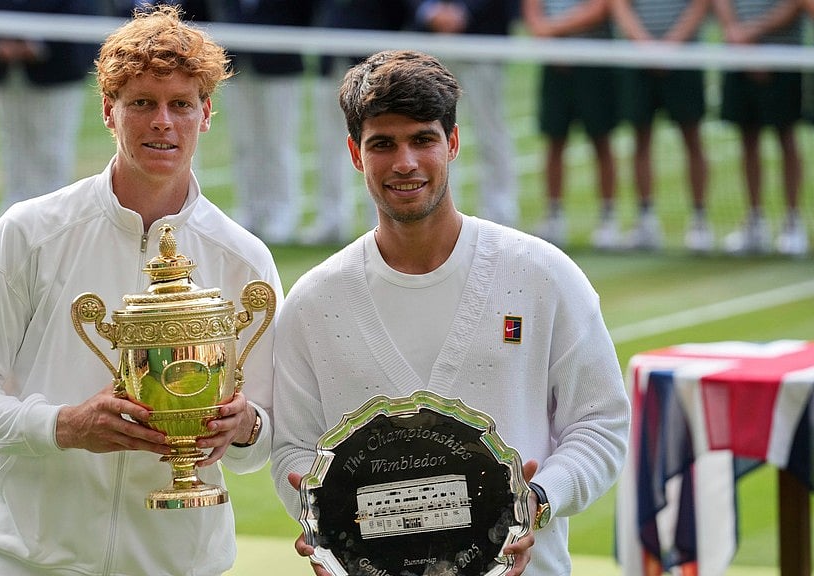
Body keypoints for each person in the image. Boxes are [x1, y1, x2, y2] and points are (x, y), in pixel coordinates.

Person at [0, 6, 282, 575]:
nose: (161, 121)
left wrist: (244, 428)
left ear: (206, 114)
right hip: (31, 561)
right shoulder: (29, 232)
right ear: (109, 112)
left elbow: (259, 442)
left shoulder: (245, 258)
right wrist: (63, 426)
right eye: (141, 102)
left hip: (177, 563)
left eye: (180, 105)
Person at [270, 50, 631, 575]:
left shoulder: (541, 274)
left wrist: (536, 501)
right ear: (355, 153)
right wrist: (322, 523)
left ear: (453, 143)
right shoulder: (313, 302)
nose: (405, 163)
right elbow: (293, 450)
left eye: (423, 140)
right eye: (383, 144)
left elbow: (601, 422)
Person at [0, 0, 102, 218]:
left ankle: (51, 214)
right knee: (12, 142)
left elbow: (80, 10)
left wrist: (39, 46)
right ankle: (13, 210)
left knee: (51, 147)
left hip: (58, 71)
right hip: (6, 71)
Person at [302, 0, 415, 245]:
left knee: (380, 144)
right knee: (330, 144)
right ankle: (332, 219)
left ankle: (377, 221)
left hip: (377, 62)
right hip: (331, 55)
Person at [610, 0, 713, 252]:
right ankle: (645, 219)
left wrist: (672, 44)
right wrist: (645, 44)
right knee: (641, 140)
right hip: (639, 57)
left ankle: (699, 219)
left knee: (692, 138)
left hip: (684, 56)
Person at [408, 0, 521, 229]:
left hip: (483, 40)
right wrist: (430, 12)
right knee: (429, 133)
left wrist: (464, 12)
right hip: (430, 44)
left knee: (490, 131)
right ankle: (436, 211)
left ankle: (499, 213)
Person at [215, 0, 319, 245]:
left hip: (279, 64)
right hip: (236, 63)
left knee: (278, 144)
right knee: (243, 143)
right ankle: (249, 211)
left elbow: (305, 12)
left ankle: (283, 214)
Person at [522, 0, 621, 249]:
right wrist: (548, 40)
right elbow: (533, 14)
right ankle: (554, 216)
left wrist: (552, 30)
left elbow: (598, 9)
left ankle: (608, 218)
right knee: (554, 140)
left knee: (601, 140)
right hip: (555, 67)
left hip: (593, 63)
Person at [713, 0, 807, 256]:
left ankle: (792, 222)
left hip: (782, 55)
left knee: (785, 136)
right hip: (738, 54)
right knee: (747, 139)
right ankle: (755, 221)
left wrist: (752, 32)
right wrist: (736, 34)